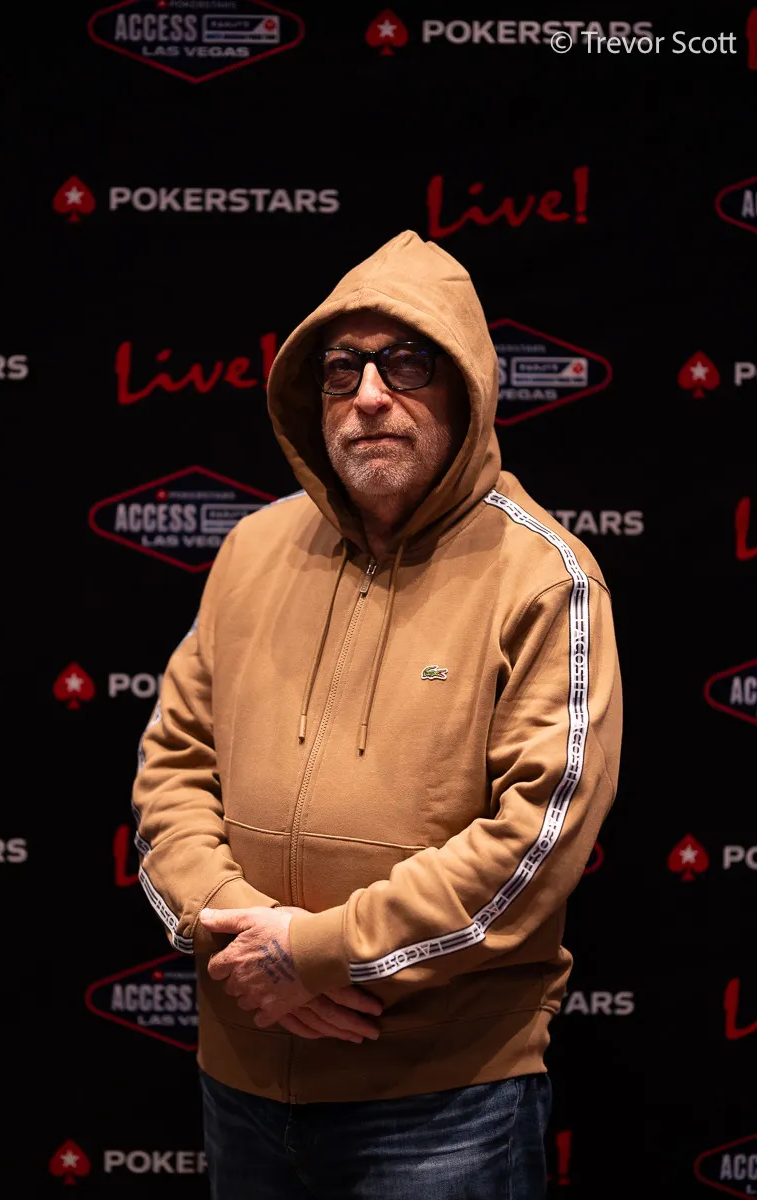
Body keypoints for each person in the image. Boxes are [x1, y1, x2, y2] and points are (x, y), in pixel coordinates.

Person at [131, 229, 623, 1199]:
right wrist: (245, 941)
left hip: (440, 1105)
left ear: (466, 388)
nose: (367, 395)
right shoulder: (251, 549)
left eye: (405, 364)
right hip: (241, 1079)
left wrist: (314, 956)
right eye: (341, 369)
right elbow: (173, 768)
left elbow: (533, 843)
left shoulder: (545, 577)